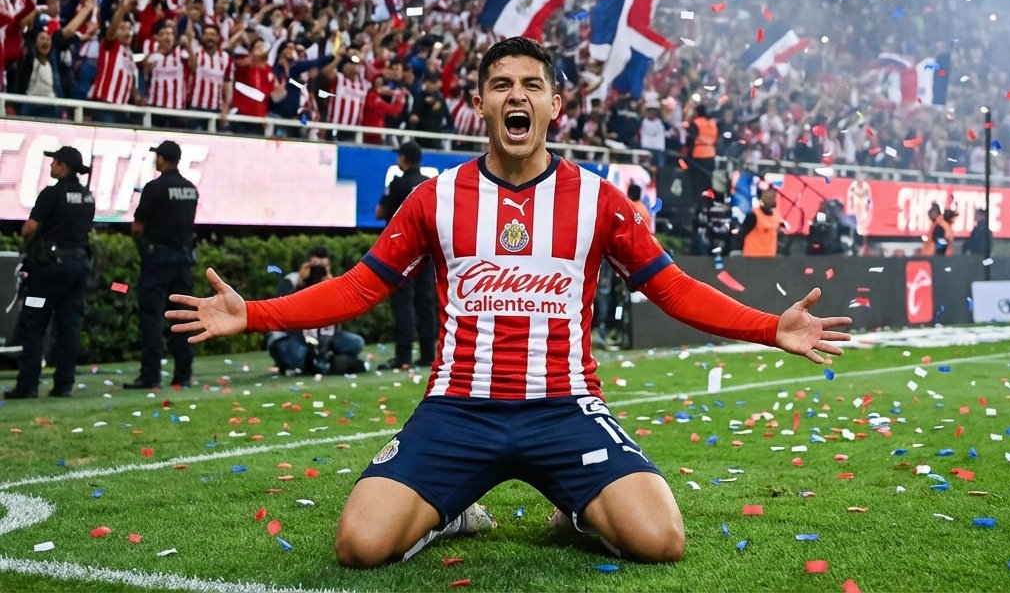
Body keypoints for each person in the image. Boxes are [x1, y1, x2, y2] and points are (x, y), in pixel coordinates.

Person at [167, 36, 852, 568]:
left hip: (566, 411)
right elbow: (362, 286)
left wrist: (769, 327)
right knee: (358, 546)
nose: (515, 96)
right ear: (483, 105)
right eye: (500, 85)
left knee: (662, 539)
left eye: (531, 85)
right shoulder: (434, 198)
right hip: (457, 411)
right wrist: (253, 313)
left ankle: (575, 511)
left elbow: (669, 288)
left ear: (555, 106)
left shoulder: (598, 200)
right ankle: (450, 510)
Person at [5, 146, 95, 399]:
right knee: (69, 325)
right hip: (78, 268)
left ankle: (28, 385)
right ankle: (64, 385)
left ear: (64, 166)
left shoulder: (51, 194)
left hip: (48, 272)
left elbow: (28, 229)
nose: (51, 166)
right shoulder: (88, 196)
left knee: (33, 321)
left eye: (54, 162)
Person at [125, 140, 199, 389]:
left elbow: (137, 227)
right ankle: (183, 373)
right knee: (182, 318)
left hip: (158, 260)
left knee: (152, 317)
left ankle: (150, 374)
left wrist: (143, 249)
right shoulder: (191, 189)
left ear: (163, 159)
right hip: (183, 259)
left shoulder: (155, 187)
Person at [375, 140, 436, 369]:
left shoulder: (398, 183)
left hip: (402, 251)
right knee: (426, 301)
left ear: (403, 159)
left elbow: (380, 212)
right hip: (427, 250)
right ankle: (429, 353)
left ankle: (403, 356)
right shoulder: (429, 183)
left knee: (403, 303)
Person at [266, 247, 366, 375]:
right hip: (294, 334)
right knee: (297, 356)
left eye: (323, 265)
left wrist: (331, 287)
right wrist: (301, 283)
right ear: (306, 264)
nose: (318, 270)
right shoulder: (293, 279)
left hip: (323, 336)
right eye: (315, 265)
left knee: (356, 343)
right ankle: (312, 361)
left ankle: (324, 359)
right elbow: (280, 307)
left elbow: (342, 312)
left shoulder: (332, 282)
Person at [737, 185, 783, 257]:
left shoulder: (776, 215)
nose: (770, 198)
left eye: (772, 196)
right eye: (767, 196)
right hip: (753, 258)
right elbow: (741, 235)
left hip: (770, 257)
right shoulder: (754, 216)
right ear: (761, 198)